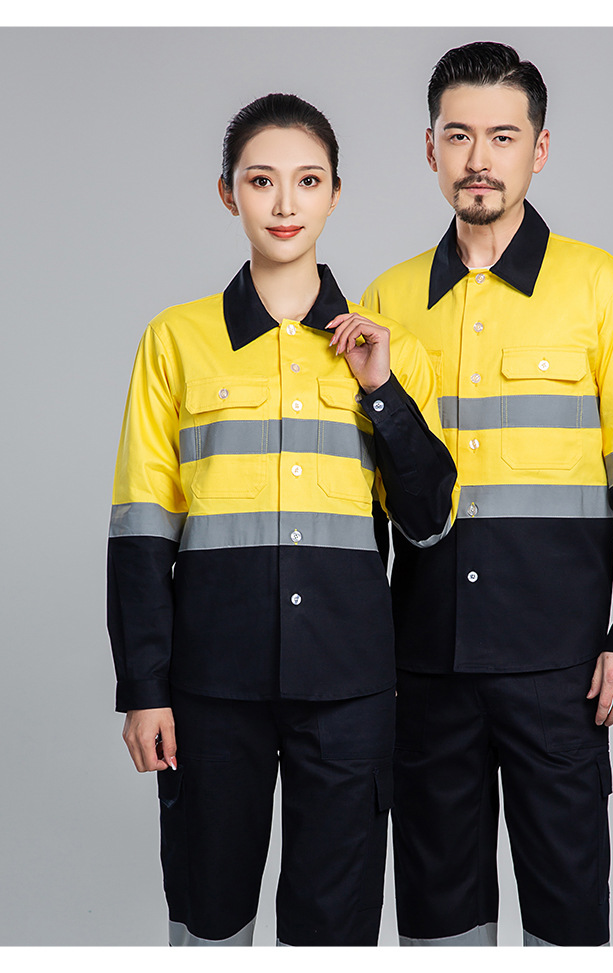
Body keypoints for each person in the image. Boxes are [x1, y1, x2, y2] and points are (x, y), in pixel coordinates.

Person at [107, 92, 457, 947]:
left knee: (333, 932)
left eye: (307, 180)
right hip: (210, 687)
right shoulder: (174, 340)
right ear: (229, 192)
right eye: (262, 180)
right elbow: (142, 529)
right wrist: (144, 690)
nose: (285, 203)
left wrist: (381, 390)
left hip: (349, 689)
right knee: (209, 922)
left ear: (336, 192)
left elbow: (427, 520)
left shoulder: (390, 350)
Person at [361, 41, 613, 947]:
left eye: (503, 136)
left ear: (539, 149)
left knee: (567, 920)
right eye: (459, 135)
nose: (479, 158)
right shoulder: (386, 301)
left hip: (560, 670)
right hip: (424, 667)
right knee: (437, 925)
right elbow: (367, 501)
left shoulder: (602, 289)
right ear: (430, 149)